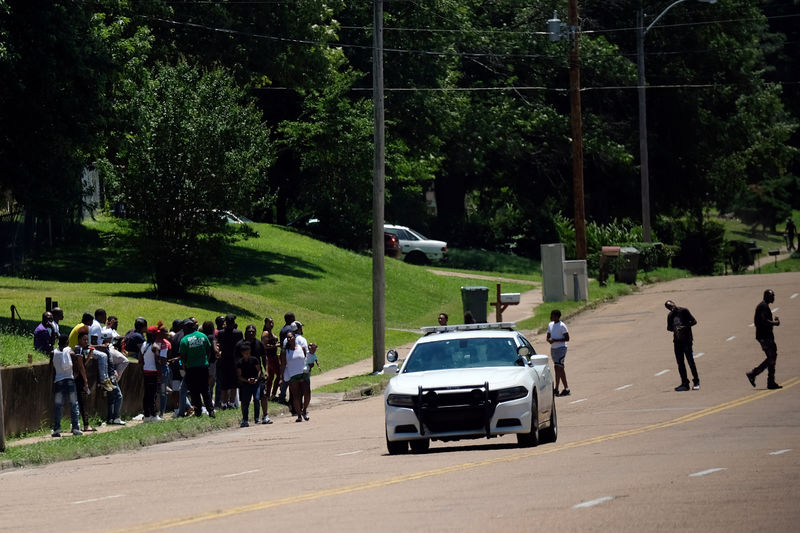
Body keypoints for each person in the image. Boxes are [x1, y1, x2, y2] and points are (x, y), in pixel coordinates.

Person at [179, 319, 216, 418]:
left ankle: (198, 411)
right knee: (205, 390)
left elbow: (182, 357)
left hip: (191, 369)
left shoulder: (184, 340)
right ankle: (211, 411)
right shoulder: (202, 336)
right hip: (203, 367)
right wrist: (206, 361)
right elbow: (209, 350)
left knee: (194, 391)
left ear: (186, 328)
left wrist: (184, 367)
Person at [746, 289, 782, 389]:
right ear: (767, 296)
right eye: (772, 296)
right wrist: (775, 323)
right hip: (764, 337)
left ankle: (770, 381)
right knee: (771, 357)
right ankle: (753, 374)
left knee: (772, 357)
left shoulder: (764, 306)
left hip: (767, 336)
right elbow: (763, 321)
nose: (773, 298)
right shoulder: (763, 306)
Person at [51, 334, 82, 437]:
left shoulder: (53, 353)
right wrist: (73, 376)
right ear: (67, 342)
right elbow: (77, 368)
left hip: (58, 381)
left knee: (58, 406)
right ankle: (75, 428)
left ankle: (56, 429)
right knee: (74, 404)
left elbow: (52, 369)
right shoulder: (71, 353)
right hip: (69, 379)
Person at [665, 300, 700, 391]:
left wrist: (684, 327)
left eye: (671, 305)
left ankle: (696, 381)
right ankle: (685, 383)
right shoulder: (670, 316)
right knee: (680, 363)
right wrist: (675, 328)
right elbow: (669, 328)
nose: (671, 307)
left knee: (690, 362)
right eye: (669, 307)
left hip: (687, 340)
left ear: (674, 303)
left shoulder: (684, 311)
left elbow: (694, 321)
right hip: (677, 341)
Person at [216, 314, 243, 409]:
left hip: (224, 361)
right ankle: (231, 403)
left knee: (224, 385)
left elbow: (219, 345)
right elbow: (241, 347)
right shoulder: (238, 333)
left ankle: (223, 403)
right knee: (233, 384)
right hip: (235, 361)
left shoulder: (221, 333)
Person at [281, 331, 308, 422]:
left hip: (303, 374)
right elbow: (283, 365)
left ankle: (304, 411)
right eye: (287, 338)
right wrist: (282, 377)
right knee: (296, 395)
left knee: (307, 393)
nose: (289, 339)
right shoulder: (285, 352)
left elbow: (306, 360)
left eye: (291, 337)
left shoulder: (302, 348)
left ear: (294, 337)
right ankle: (299, 415)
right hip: (292, 375)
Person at [140, 325, 163, 422]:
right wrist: (160, 374)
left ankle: (146, 415)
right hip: (153, 373)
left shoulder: (143, 345)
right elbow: (157, 361)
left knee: (147, 395)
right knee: (153, 394)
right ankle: (153, 415)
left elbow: (140, 360)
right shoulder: (155, 346)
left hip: (145, 372)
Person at [236, 343, 261, 427]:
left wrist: (257, 379)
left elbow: (259, 370)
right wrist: (247, 380)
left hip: (256, 383)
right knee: (245, 402)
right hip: (246, 384)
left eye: (249, 352)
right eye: (246, 353)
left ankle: (257, 418)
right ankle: (245, 419)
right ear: (242, 353)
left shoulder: (254, 360)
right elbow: (239, 376)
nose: (247, 354)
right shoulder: (240, 362)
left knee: (257, 399)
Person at [546, 310, 571, 397]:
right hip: (553, 349)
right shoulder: (550, 325)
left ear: (557, 317)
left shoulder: (562, 326)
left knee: (559, 367)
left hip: (561, 348)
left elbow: (567, 338)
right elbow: (548, 336)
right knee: (557, 367)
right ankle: (557, 388)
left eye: (552, 316)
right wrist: (549, 340)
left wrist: (555, 340)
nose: (551, 317)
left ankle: (566, 388)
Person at [261, 317, 280, 402]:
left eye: (272, 322)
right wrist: (276, 345)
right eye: (269, 323)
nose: (271, 324)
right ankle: (272, 394)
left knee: (271, 377)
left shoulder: (271, 332)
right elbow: (264, 346)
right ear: (265, 324)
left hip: (274, 356)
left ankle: (269, 394)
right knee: (279, 375)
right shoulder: (265, 333)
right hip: (269, 357)